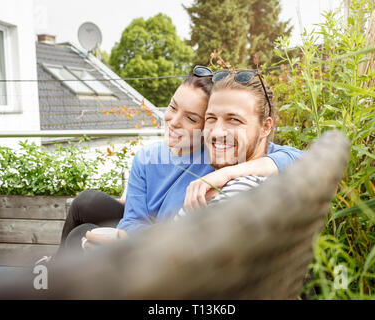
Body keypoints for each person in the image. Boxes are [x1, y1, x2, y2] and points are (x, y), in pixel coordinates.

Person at [67, 66, 303, 253]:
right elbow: (136, 221)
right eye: (212, 118)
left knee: (83, 234)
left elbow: (298, 158)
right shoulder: (155, 157)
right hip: (158, 246)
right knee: (86, 206)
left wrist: (226, 173)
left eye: (192, 118)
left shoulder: (222, 163)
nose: (175, 121)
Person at [176, 68, 278, 219]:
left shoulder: (241, 190)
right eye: (211, 118)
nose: (217, 132)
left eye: (234, 120)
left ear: (265, 127)